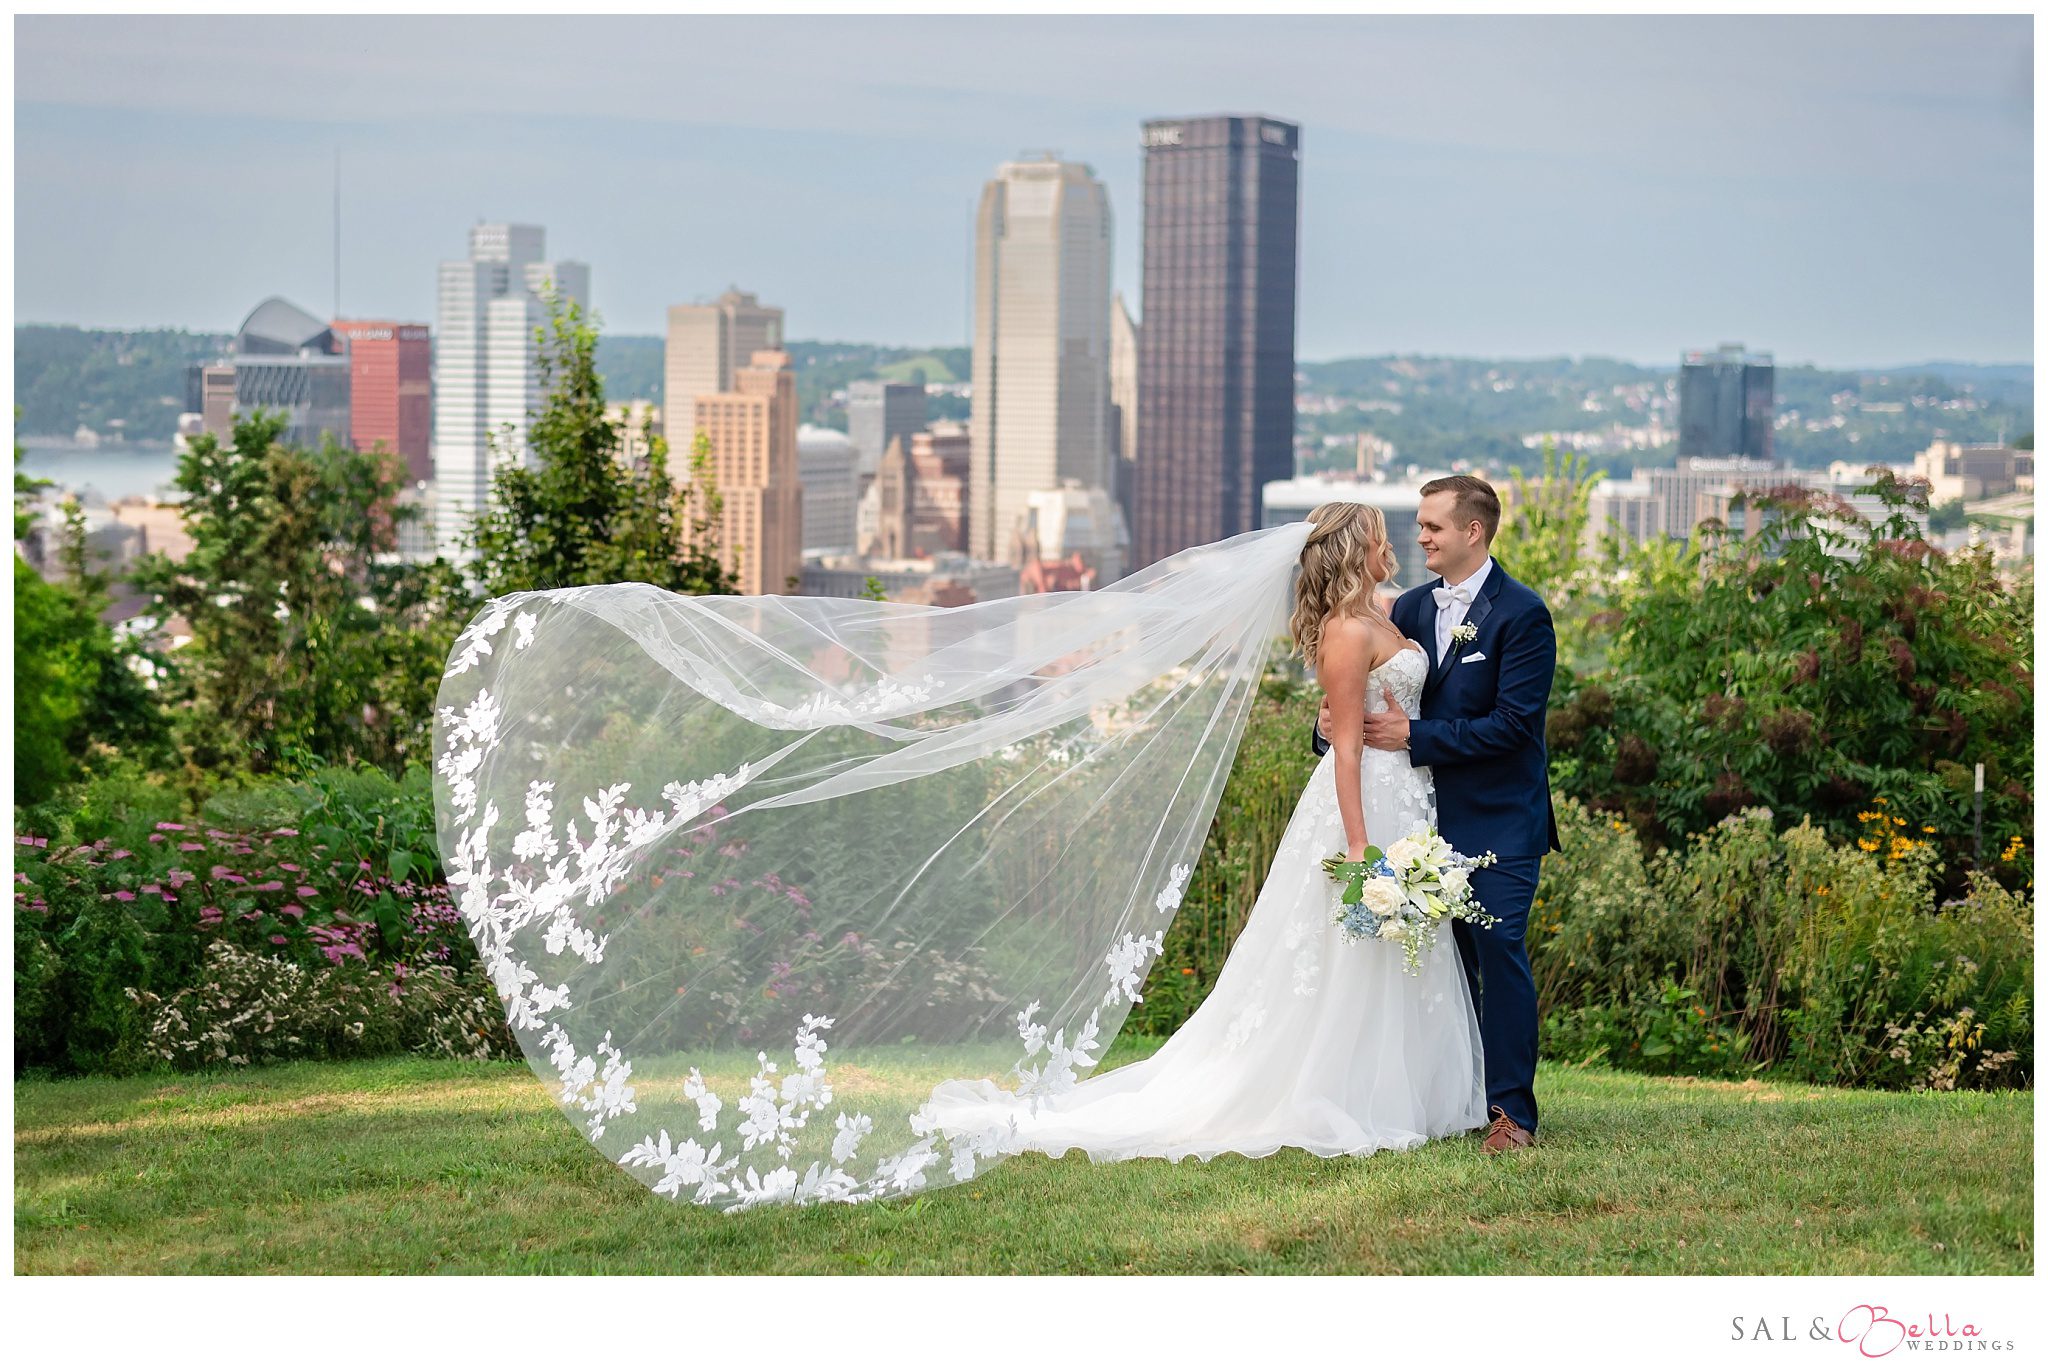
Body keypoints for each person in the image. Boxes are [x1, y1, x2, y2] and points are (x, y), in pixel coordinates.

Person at [1312, 474, 1560, 1152]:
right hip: (1417, 818)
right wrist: (1333, 728)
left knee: (1500, 948)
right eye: (1418, 525)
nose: (1419, 536)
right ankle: (1448, 1098)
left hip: (1501, 819)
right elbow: (1360, 696)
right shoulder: (1411, 608)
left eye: (1432, 527)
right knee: (1433, 968)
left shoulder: (1524, 614)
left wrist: (1414, 740)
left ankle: (1512, 1116)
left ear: (1471, 532)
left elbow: (1513, 725)